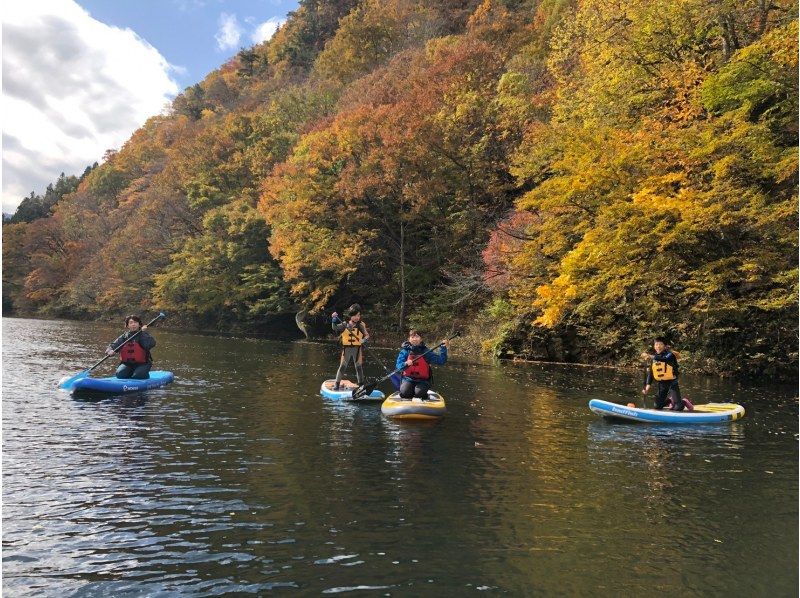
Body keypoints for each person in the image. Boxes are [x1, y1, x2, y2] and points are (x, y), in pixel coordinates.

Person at [396, 329, 449, 400]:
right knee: (405, 392)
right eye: (412, 337)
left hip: (423, 381)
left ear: (421, 339)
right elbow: (399, 366)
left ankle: (424, 395)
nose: (414, 339)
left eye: (417, 337)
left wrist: (443, 348)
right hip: (408, 379)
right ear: (409, 339)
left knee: (418, 393)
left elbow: (441, 361)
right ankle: (409, 392)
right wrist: (405, 363)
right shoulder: (405, 352)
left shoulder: (426, 352)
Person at [642, 337, 692, 411]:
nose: (658, 346)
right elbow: (651, 373)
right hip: (662, 384)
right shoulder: (654, 358)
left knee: (678, 408)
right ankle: (670, 401)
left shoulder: (670, 355)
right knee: (657, 406)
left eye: (660, 344)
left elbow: (665, 359)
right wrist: (647, 387)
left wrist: (650, 356)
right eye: (656, 344)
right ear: (654, 346)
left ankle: (684, 401)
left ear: (665, 346)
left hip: (672, 383)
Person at [331, 304, 370, 390]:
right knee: (342, 366)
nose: (357, 317)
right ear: (350, 315)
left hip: (357, 349)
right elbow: (335, 328)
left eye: (358, 315)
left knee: (358, 367)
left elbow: (367, 336)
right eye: (355, 315)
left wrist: (363, 340)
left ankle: (361, 385)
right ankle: (337, 384)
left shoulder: (361, 325)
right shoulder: (345, 324)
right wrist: (333, 320)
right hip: (347, 349)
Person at [106, 315, 157, 379]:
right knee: (120, 375)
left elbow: (150, 344)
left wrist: (142, 333)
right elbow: (112, 346)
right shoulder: (124, 337)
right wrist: (109, 351)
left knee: (138, 375)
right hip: (127, 364)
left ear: (139, 324)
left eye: (135, 322)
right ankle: (131, 372)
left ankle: (143, 374)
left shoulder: (143, 334)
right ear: (127, 325)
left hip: (143, 363)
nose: (133, 324)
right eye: (131, 323)